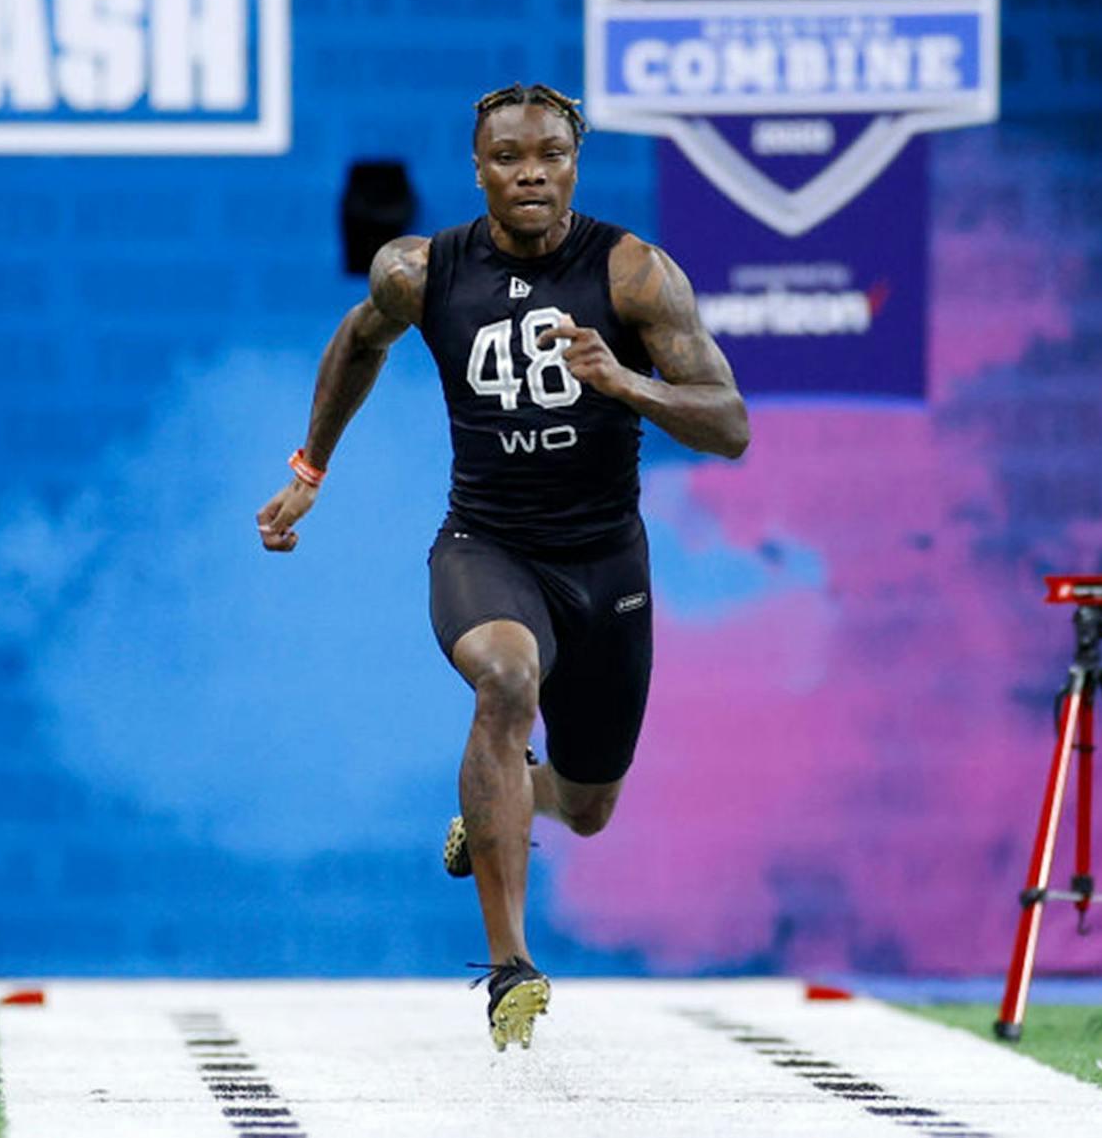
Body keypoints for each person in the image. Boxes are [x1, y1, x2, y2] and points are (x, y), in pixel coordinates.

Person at [255, 82, 750, 1051]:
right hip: (488, 546)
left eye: (550, 157)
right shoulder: (421, 269)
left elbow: (728, 423)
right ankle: (511, 966)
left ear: (575, 164)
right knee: (505, 676)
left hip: (607, 564)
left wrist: (624, 381)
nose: (531, 173)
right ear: (477, 168)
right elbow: (359, 343)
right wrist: (310, 467)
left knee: (593, 804)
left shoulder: (636, 273)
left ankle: (513, 796)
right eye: (509, 158)